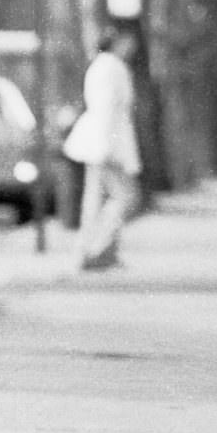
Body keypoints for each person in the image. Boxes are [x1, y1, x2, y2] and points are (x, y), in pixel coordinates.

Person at [62, 29, 142, 270]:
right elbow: (108, 108)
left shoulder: (100, 65)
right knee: (126, 197)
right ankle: (97, 247)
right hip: (107, 142)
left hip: (99, 140)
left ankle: (95, 250)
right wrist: (108, 147)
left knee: (96, 199)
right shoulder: (113, 67)